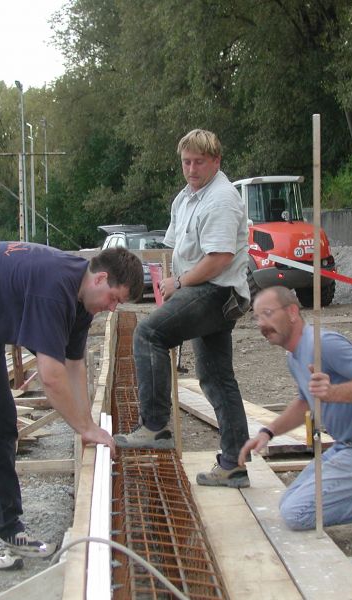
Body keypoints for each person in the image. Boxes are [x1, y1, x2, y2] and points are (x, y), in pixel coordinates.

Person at [0, 242, 143, 570]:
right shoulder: (55, 288)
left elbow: (74, 367)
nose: (112, 308)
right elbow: (51, 377)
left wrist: (89, 425)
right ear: (101, 279)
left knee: (4, 421)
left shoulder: (81, 303)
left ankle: (7, 526)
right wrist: (85, 428)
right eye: (114, 299)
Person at [114, 129, 252, 488]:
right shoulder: (187, 198)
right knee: (217, 378)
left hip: (216, 292)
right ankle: (234, 464)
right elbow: (177, 248)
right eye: (186, 162)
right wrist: (176, 281)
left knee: (149, 334)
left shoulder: (221, 198)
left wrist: (180, 282)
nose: (191, 169)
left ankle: (156, 426)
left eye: (199, 162)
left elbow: (220, 258)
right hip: (202, 289)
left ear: (216, 161)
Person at [239, 286, 352, 544]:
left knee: (297, 513)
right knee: (287, 502)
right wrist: (268, 432)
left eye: (267, 313)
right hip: (347, 446)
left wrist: (333, 393)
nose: (262, 324)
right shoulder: (294, 357)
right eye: (257, 317)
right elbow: (305, 402)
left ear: (292, 312)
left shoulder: (322, 344)